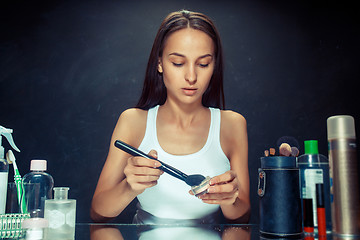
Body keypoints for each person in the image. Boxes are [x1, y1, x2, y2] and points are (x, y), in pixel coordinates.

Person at [91, 10, 250, 224]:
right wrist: (129, 187)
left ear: (214, 66)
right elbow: (98, 212)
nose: (191, 77)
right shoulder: (133, 122)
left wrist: (229, 199)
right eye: (177, 63)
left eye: (203, 64)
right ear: (159, 63)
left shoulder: (232, 125)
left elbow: (243, 215)